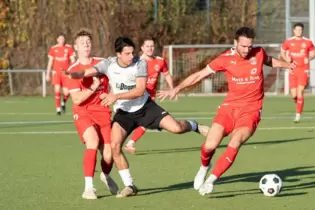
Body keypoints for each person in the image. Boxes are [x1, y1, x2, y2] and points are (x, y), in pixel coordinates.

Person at [158, 27, 295, 196]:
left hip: (251, 110)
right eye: (243, 46)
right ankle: (204, 168)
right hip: (229, 108)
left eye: (249, 46)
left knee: (235, 141)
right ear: (235, 43)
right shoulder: (225, 59)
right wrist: (177, 88)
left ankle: (211, 180)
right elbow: (199, 75)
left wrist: (287, 65)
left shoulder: (258, 53)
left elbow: (270, 61)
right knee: (210, 145)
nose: (247, 50)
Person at [66, 36, 209, 198]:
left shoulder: (140, 63)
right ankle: (129, 185)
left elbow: (140, 90)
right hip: (124, 114)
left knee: (176, 128)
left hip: (145, 108)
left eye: (133, 52)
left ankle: (194, 125)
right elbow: (86, 72)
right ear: (118, 54)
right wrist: (72, 74)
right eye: (127, 53)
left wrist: (116, 96)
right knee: (114, 146)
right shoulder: (108, 64)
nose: (132, 56)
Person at [66, 28, 118, 200]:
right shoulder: (73, 70)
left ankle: (105, 175)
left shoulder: (102, 62)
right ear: (76, 47)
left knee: (110, 153)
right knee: (93, 142)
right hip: (83, 112)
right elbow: (77, 99)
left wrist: (111, 95)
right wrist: (93, 87)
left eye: (88, 42)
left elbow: (115, 80)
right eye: (82, 43)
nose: (86, 45)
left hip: (103, 111)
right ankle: (88, 188)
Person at [124, 36, 174, 153]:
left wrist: (172, 89)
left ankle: (130, 143)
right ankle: (121, 142)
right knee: (130, 119)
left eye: (152, 46)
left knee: (146, 121)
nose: (150, 48)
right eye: (147, 46)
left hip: (149, 98)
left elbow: (167, 75)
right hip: (136, 95)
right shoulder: (135, 61)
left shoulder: (160, 61)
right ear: (142, 48)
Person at [280, 23, 315, 123]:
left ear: (302, 31)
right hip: (292, 70)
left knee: (300, 92)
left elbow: (313, 53)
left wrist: (309, 58)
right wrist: (286, 58)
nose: (298, 31)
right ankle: (298, 103)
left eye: (300, 30)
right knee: (294, 95)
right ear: (294, 31)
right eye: (297, 30)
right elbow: (282, 52)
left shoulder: (308, 42)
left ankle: (298, 115)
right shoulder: (288, 41)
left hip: (303, 70)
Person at [47, 33, 76, 115]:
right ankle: (58, 109)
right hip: (56, 73)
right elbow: (50, 62)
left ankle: (63, 102)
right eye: (60, 39)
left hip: (66, 73)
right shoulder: (53, 49)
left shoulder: (69, 48)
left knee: (67, 93)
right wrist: (47, 74)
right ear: (57, 40)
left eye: (63, 39)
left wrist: (74, 71)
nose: (61, 41)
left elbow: (73, 60)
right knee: (57, 90)